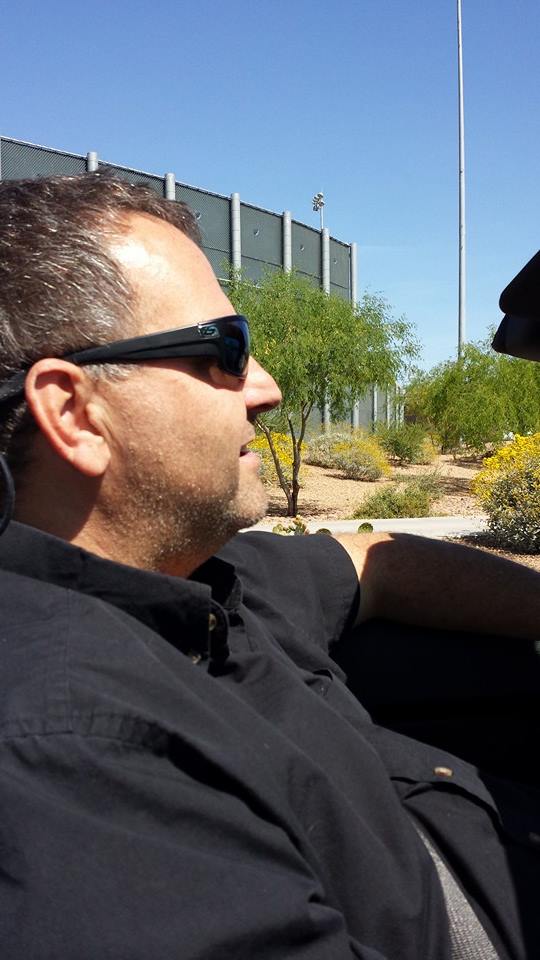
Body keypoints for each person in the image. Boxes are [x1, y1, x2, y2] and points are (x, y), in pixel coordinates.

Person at [0, 173, 538, 960]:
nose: (267, 388)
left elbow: (373, 562)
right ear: (76, 413)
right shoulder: (74, 755)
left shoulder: (197, 571)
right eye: (227, 350)